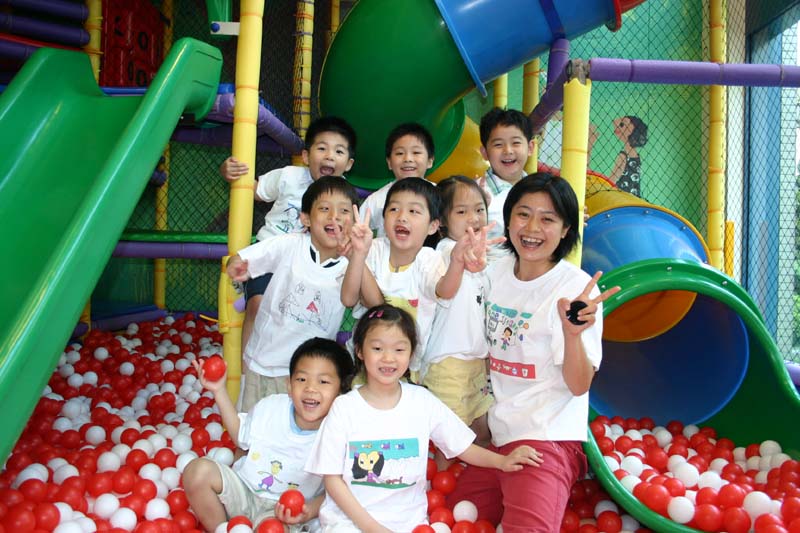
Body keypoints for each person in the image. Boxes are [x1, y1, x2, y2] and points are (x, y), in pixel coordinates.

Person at [445, 173, 620, 532]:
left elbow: (579, 385)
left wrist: (572, 334)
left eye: (548, 219)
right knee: (449, 517)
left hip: (547, 439)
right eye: (523, 214)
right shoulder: (495, 273)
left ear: (566, 229)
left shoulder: (575, 290)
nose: (533, 228)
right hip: (499, 440)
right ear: (508, 219)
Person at [305, 305, 543, 532]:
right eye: (377, 348)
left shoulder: (422, 402)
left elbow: (463, 447)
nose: (388, 358)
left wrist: (502, 461)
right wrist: (372, 528)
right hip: (349, 524)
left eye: (399, 350)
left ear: (411, 354)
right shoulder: (345, 408)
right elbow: (332, 480)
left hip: (409, 525)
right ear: (359, 351)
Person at [183, 337, 355, 533]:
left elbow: (339, 489)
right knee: (197, 472)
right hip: (244, 491)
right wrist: (219, 391)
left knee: (272, 530)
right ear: (289, 385)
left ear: (341, 392)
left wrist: (308, 511)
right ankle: (221, 529)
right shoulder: (271, 407)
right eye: (301, 379)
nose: (310, 388)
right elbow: (240, 436)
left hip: (283, 513)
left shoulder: (339, 432)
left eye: (323, 381)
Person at [220, 116, 357, 351]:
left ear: (348, 164)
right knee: (258, 306)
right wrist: (229, 172)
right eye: (321, 148)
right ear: (306, 156)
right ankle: (247, 364)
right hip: (270, 257)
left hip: (308, 266)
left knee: (301, 317)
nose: (329, 156)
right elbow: (254, 190)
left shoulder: (345, 195)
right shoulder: (289, 176)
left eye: (338, 151)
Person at [226, 176, 360, 411]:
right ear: (305, 218)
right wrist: (237, 264)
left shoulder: (353, 264)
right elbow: (245, 258)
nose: (334, 216)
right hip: (265, 362)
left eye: (344, 211)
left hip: (311, 373)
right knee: (253, 422)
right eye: (324, 209)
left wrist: (357, 254)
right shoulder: (289, 245)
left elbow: (364, 298)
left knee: (300, 427)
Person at [341, 178, 490, 380]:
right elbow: (348, 299)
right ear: (383, 218)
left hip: (406, 368)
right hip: (364, 363)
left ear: (433, 226)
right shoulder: (372, 249)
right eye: (394, 209)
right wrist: (357, 255)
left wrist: (457, 261)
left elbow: (445, 291)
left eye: (414, 211)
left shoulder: (428, 259)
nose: (402, 217)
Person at [422, 176, 498, 469]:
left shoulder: (484, 255)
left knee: (482, 431)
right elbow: (448, 277)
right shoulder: (444, 252)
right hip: (448, 363)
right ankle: (440, 485)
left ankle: (469, 481)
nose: (473, 218)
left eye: (479, 210)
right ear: (442, 220)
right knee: (450, 441)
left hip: (476, 362)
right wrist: (461, 258)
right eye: (462, 211)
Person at [360, 123, 435, 237]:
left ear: (430, 161)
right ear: (389, 162)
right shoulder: (377, 200)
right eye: (400, 153)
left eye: (416, 152)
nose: (408, 159)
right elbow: (357, 228)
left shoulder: (440, 194)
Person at [478, 107, 535, 243]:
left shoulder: (541, 191)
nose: (508, 151)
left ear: (530, 148)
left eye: (516, 143)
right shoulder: (474, 193)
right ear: (485, 152)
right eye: (498, 144)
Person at [609, 115, 648, 197]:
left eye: (622, 125)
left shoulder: (623, 155)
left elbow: (613, 178)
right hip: (634, 198)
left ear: (632, 130)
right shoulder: (637, 157)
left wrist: (604, 187)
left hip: (622, 198)